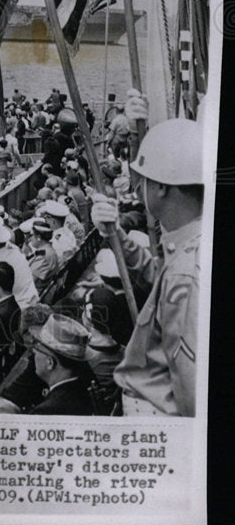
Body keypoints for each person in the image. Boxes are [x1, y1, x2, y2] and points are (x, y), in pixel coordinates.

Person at [91, 113, 203, 417]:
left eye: (145, 180)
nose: (141, 188)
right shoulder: (191, 243)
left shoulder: (186, 274)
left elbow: (192, 396)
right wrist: (115, 234)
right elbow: (156, 274)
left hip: (157, 420)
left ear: (162, 188)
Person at [28, 312, 94, 415]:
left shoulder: (47, 411)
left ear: (50, 362)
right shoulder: (83, 387)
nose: (33, 354)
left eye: (37, 349)